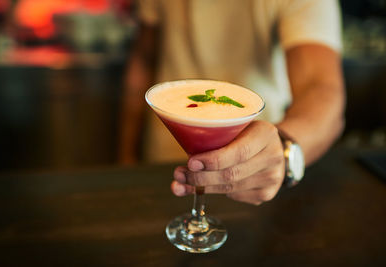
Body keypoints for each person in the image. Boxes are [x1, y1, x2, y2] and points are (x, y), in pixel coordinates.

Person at [119, 0, 345, 205]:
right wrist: (127, 155)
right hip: (160, 161)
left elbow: (321, 88)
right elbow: (144, 58)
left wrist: (283, 152)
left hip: (252, 174)